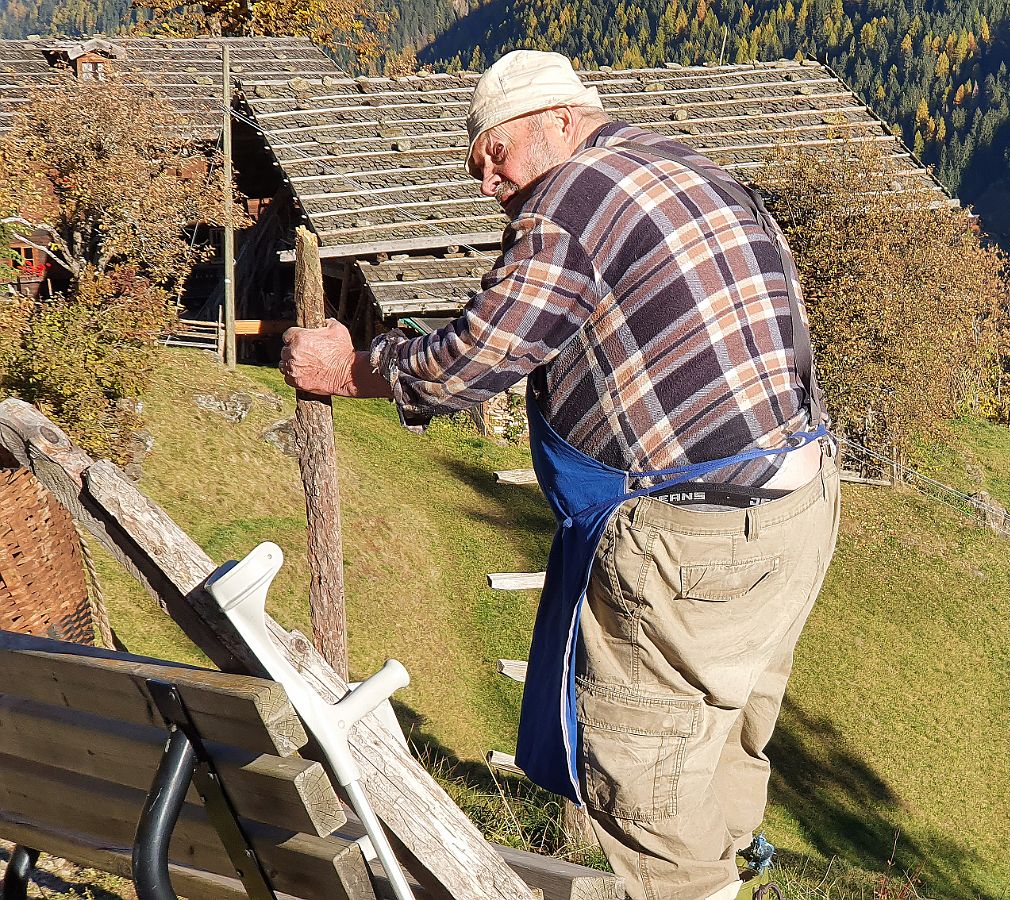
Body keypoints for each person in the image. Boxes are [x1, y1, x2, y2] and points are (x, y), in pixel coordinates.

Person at [280, 50, 840, 900]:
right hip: (794, 501)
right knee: (726, 733)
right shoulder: (680, 162)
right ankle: (734, 877)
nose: (488, 181)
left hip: (693, 532)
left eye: (494, 155)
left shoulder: (572, 200)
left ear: (560, 122)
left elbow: (477, 356)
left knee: (644, 779)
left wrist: (351, 366)